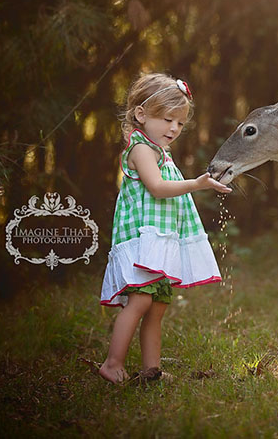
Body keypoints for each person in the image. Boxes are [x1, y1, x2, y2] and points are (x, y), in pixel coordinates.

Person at [99, 72, 231, 384]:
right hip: (143, 241)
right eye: (167, 119)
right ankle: (112, 363)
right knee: (141, 300)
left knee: (157, 306)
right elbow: (157, 188)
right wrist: (196, 184)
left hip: (159, 241)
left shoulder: (160, 151)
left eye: (180, 123)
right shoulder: (141, 149)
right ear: (141, 114)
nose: (173, 128)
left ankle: (151, 370)